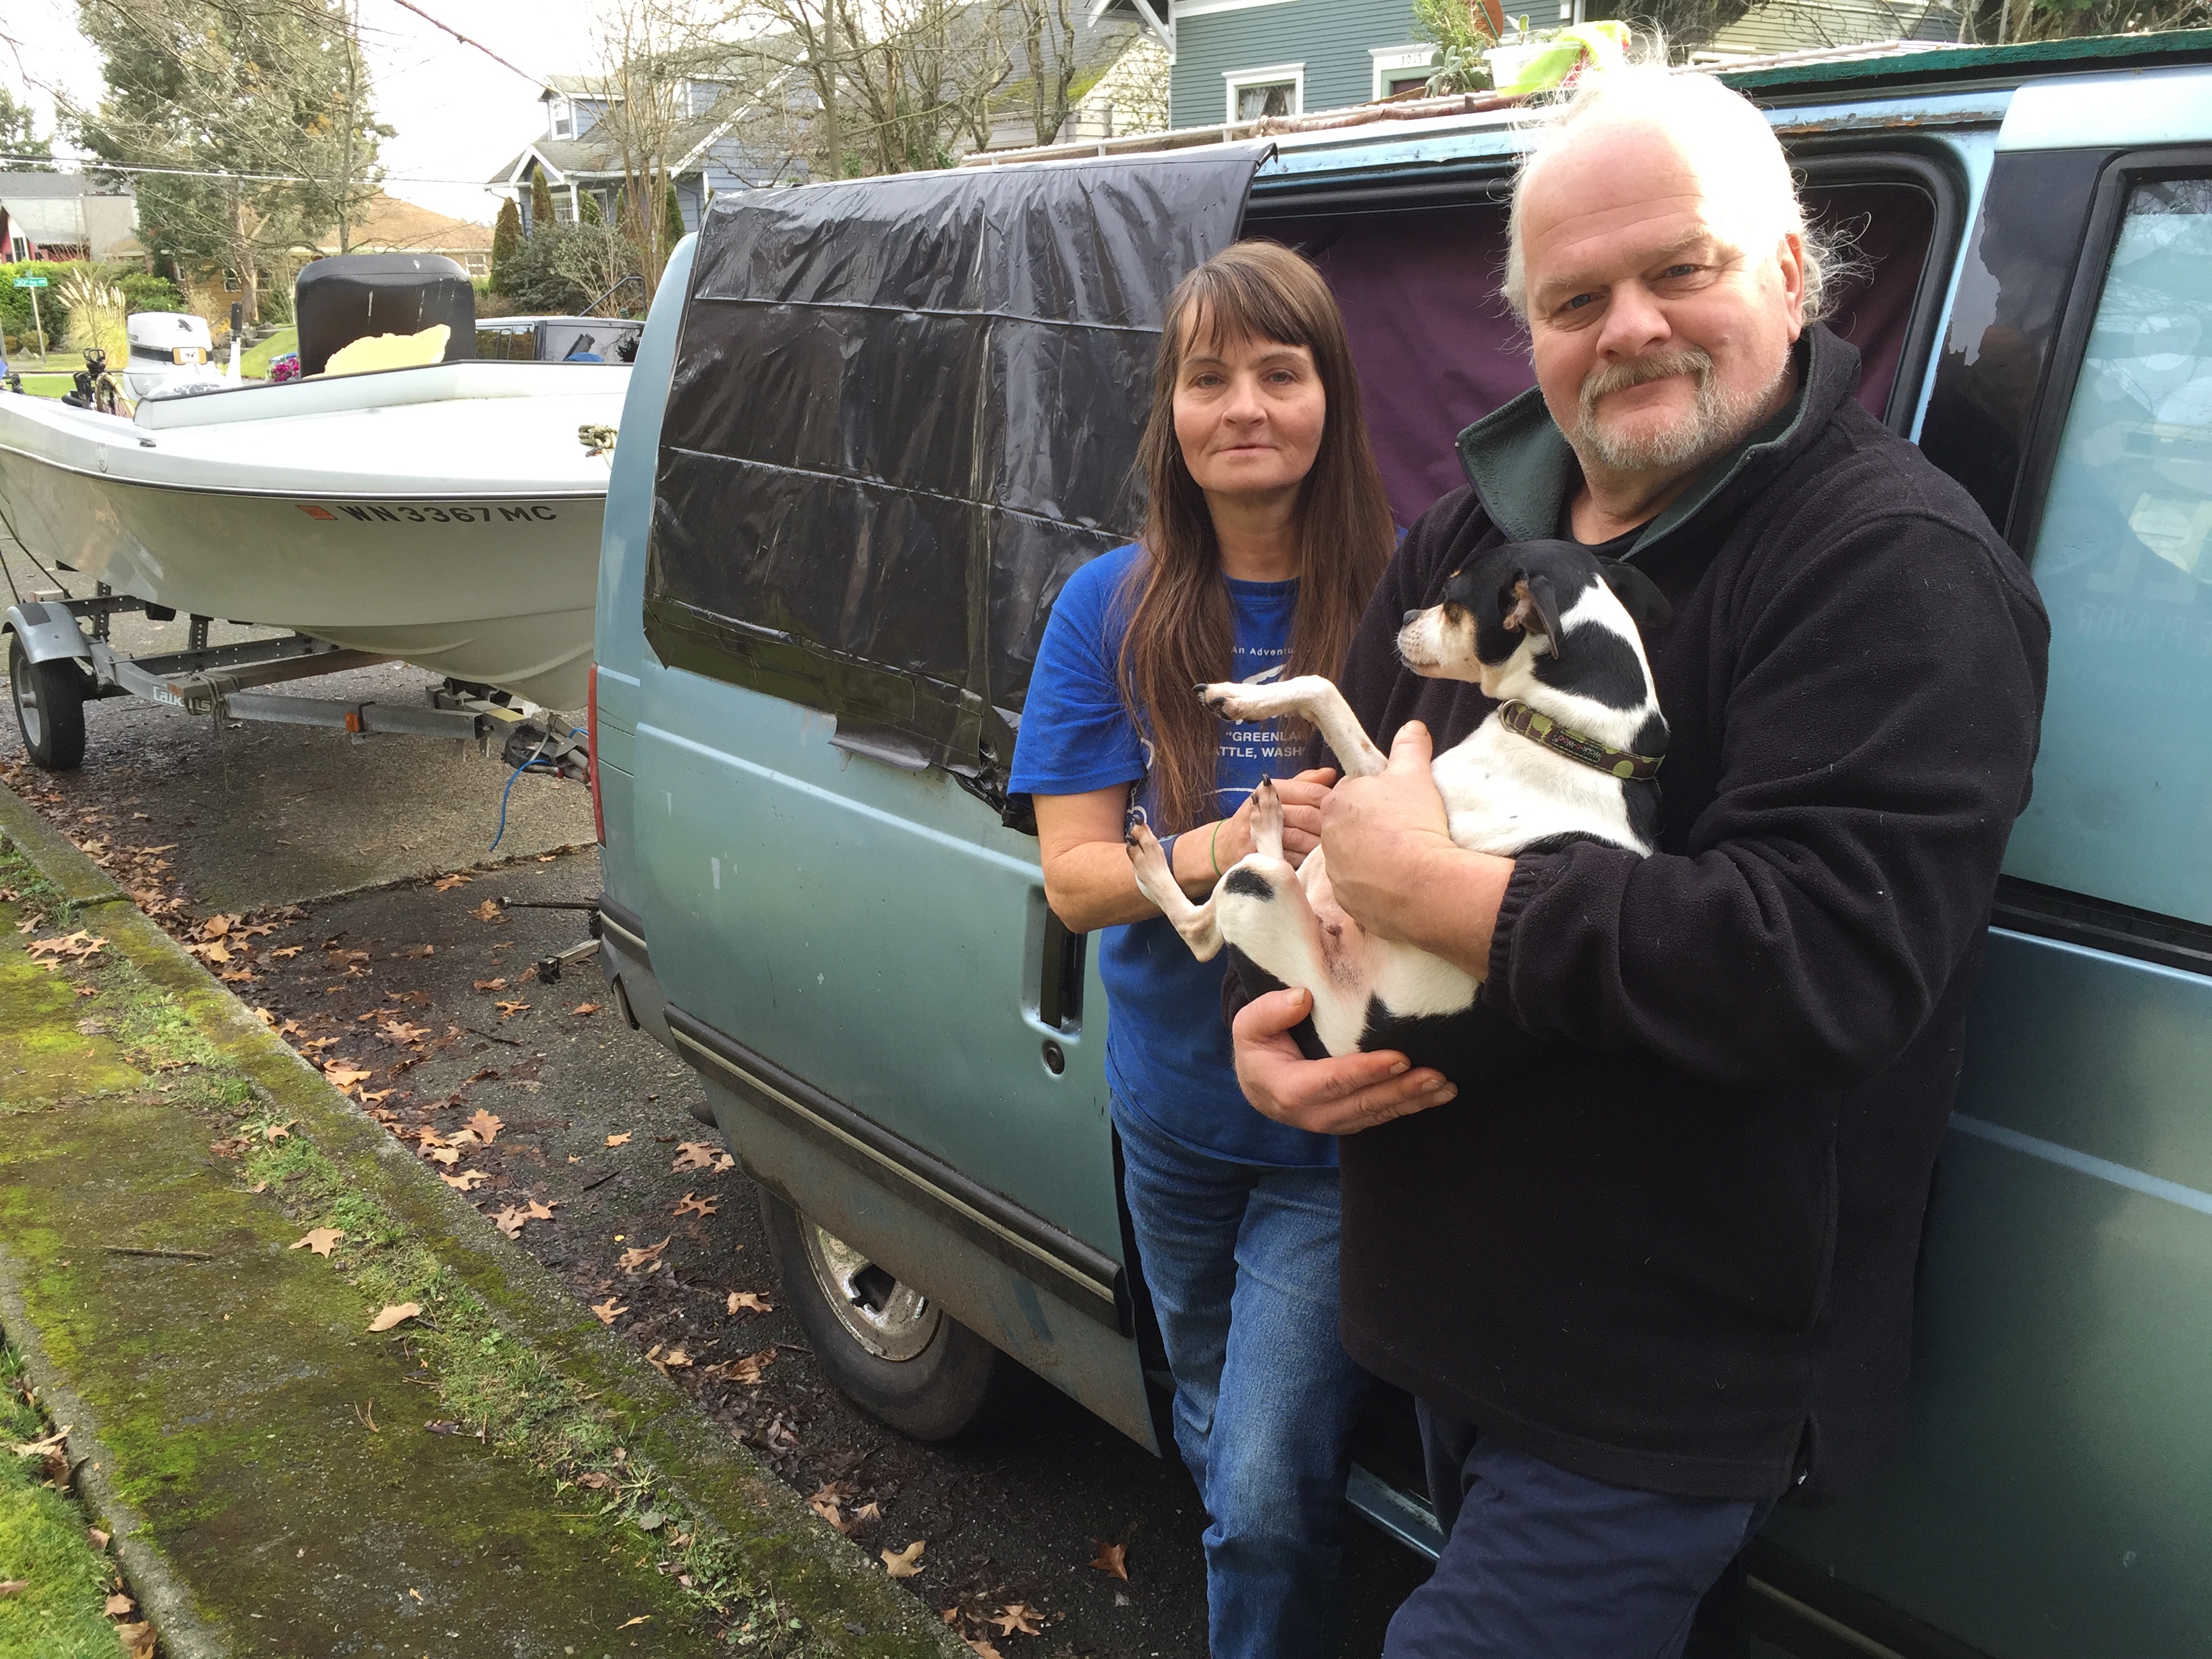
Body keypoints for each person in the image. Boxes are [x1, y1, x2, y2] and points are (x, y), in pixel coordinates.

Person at [1229, 66, 2050, 1658]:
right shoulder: (1463, 540)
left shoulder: (1894, 569)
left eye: (1685, 270)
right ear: (1526, 329)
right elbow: (1346, 817)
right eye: (1576, 296)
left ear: (1794, 274)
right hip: (1455, 1316)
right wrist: (1281, 1030)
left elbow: (1825, 958)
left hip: (1669, 1376)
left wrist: (1455, 898)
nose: (1629, 329)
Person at [1008, 240, 1401, 1659]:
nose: (1246, 405)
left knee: (1258, 1489)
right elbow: (1071, 883)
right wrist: (1231, 843)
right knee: (1206, 1417)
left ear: (1330, 398)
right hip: (1171, 1117)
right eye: (1208, 376)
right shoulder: (1108, 607)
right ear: (1169, 412)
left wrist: (1361, 827)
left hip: (1335, 1132)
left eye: (1280, 373)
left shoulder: (1407, 596)